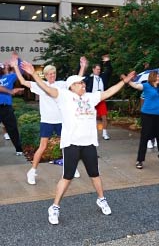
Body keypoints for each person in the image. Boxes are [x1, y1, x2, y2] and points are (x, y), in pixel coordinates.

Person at [21, 60, 135, 225]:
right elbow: (46, 88)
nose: (83, 85)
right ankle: (54, 207)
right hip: (71, 144)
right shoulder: (64, 96)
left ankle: (101, 199)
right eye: (79, 83)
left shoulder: (90, 97)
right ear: (71, 86)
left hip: (88, 143)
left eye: (83, 83)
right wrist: (33, 74)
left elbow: (108, 92)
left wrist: (124, 82)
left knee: (95, 174)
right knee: (67, 177)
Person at [11, 57, 86, 185]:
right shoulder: (40, 85)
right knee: (43, 146)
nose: (52, 76)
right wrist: (16, 67)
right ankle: (32, 172)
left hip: (61, 121)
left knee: (67, 145)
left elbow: (77, 81)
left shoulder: (61, 85)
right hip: (47, 121)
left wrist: (83, 66)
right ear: (45, 75)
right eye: (50, 74)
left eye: (54, 73)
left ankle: (70, 169)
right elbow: (23, 81)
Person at [84, 54, 112, 140]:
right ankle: (88, 133)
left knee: (104, 116)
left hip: (101, 98)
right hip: (91, 99)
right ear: (93, 69)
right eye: (97, 69)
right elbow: (80, 79)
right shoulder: (89, 78)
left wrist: (107, 62)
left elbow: (109, 70)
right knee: (89, 117)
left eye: (99, 69)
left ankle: (104, 133)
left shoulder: (102, 77)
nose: (99, 71)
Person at [0, 58, 24, 155]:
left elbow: (21, 72)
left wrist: (17, 60)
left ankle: (19, 149)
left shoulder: (9, 77)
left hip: (6, 108)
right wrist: (11, 91)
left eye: (3, 67)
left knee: (12, 129)